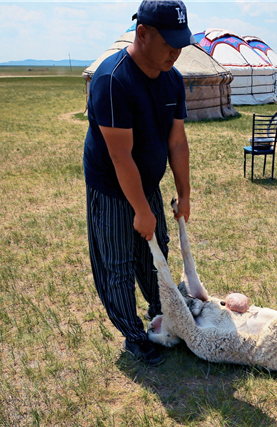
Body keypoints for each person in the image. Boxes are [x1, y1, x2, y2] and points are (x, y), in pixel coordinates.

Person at [83, 0, 193, 366]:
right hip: (113, 185)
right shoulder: (113, 80)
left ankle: (158, 311)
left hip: (147, 182)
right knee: (117, 262)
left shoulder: (173, 79)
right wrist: (141, 211)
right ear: (142, 34)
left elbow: (177, 140)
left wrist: (184, 193)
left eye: (181, 43)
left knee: (155, 249)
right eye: (169, 43)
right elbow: (120, 157)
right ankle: (133, 335)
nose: (176, 52)